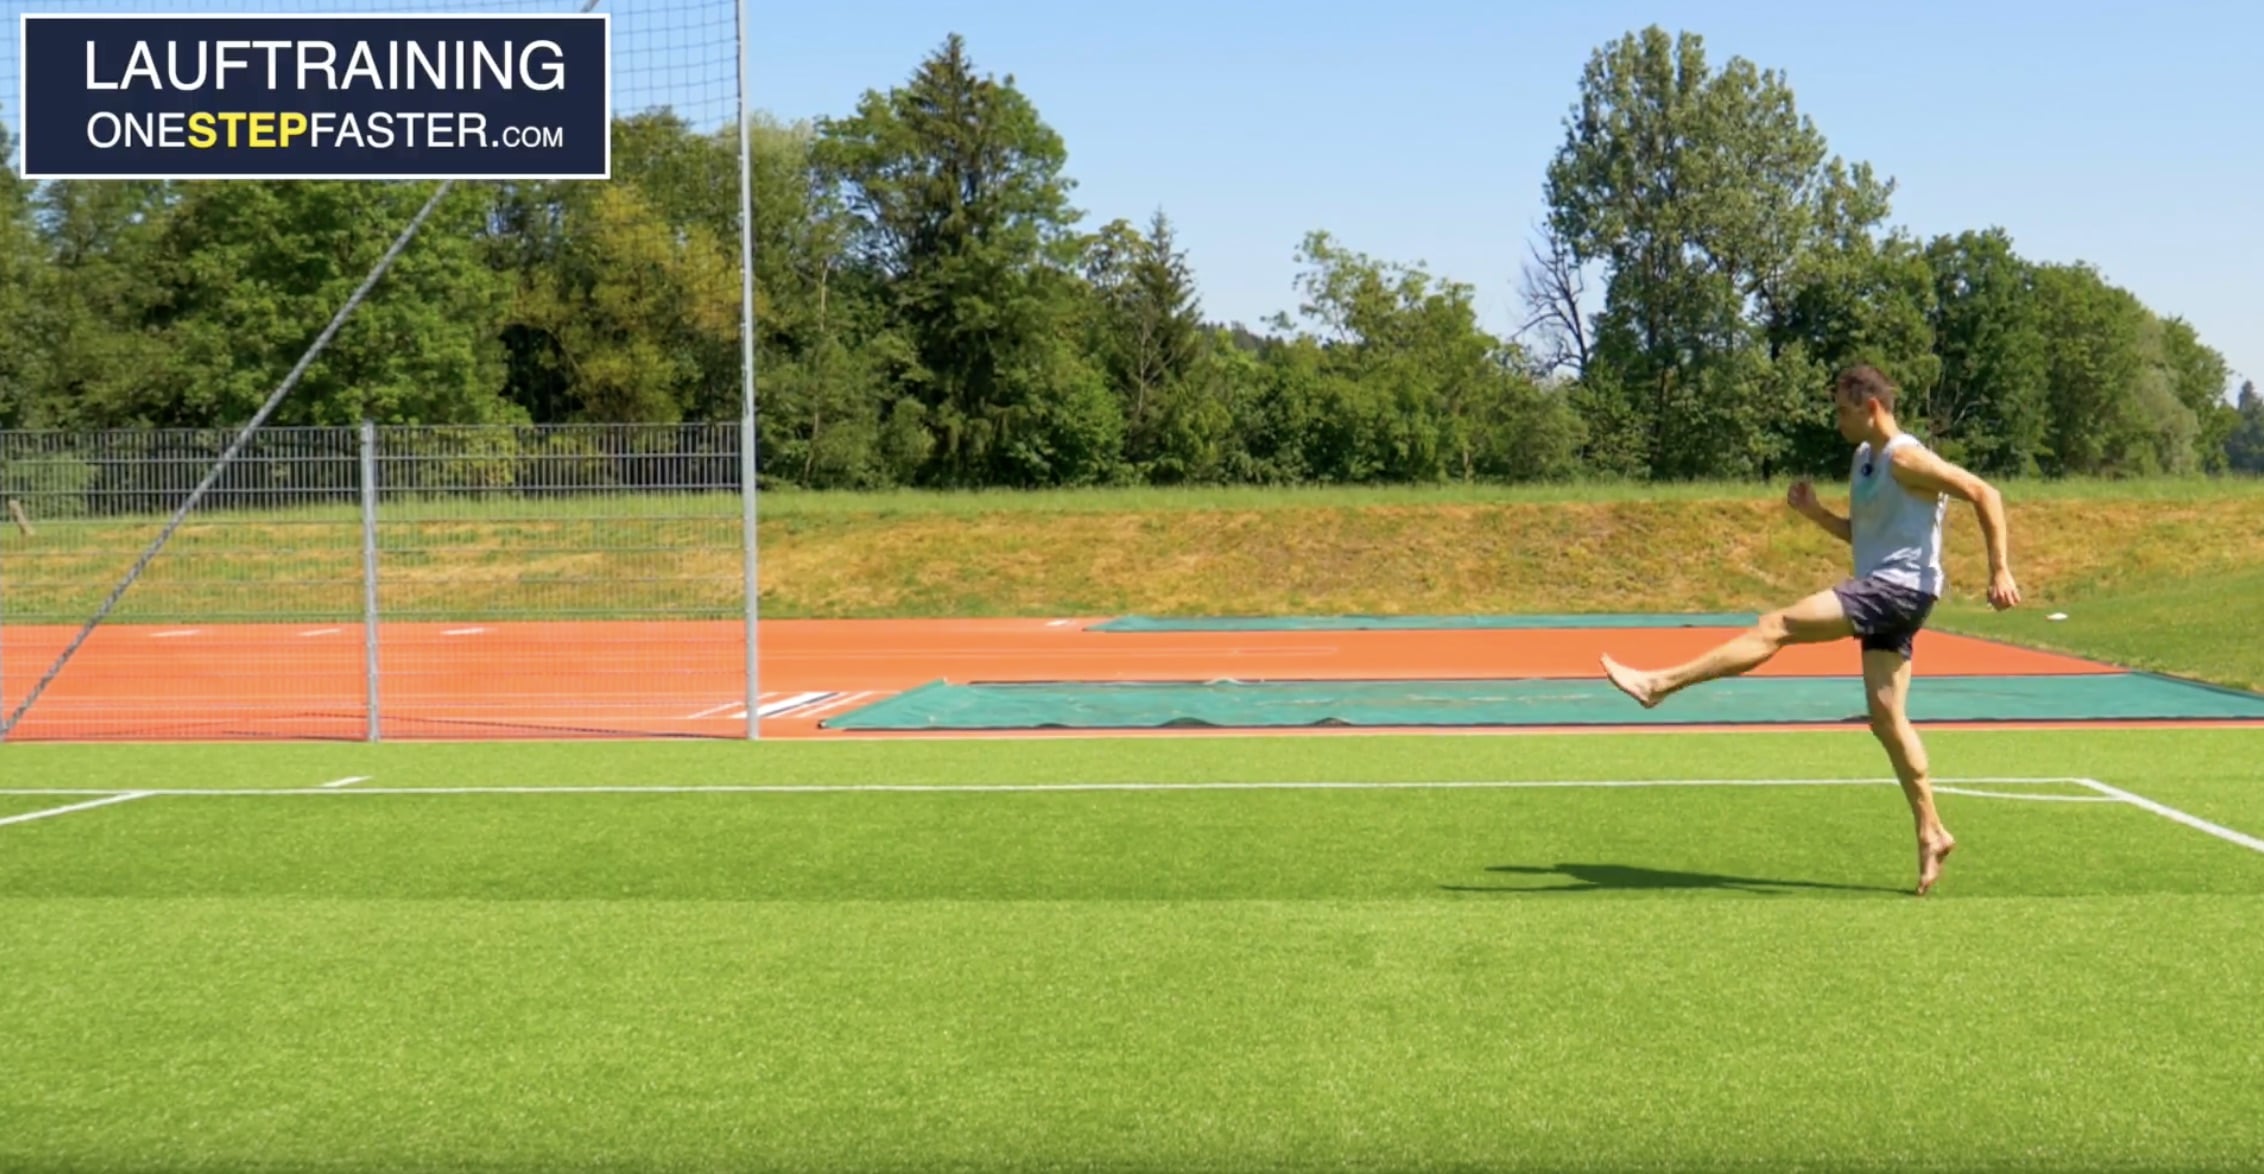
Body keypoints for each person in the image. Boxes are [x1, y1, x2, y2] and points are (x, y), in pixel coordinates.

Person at [1599, 365, 2022, 896]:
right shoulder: (1864, 461)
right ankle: (1932, 831)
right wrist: (1817, 514)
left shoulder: (1906, 458)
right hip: (1889, 588)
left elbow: (1985, 493)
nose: (1837, 422)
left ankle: (1658, 685)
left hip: (1899, 590)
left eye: (1843, 412)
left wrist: (1999, 569)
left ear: (1871, 407)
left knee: (1776, 626)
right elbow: (1864, 534)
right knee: (1888, 718)